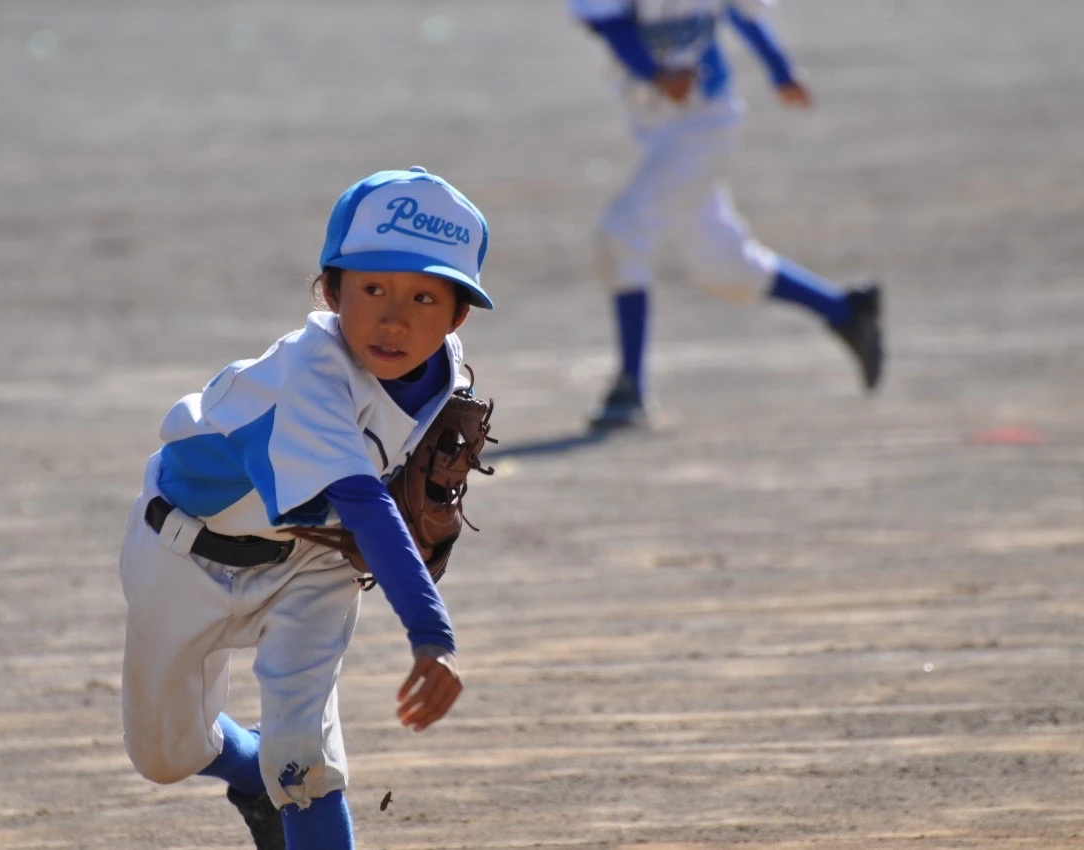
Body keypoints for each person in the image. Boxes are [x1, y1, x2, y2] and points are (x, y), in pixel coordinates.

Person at [116, 166, 494, 850]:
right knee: (165, 756)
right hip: (184, 554)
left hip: (314, 563)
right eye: (372, 288)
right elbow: (365, 503)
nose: (394, 318)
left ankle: (283, 774)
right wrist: (431, 634)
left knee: (306, 762)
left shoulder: (444, 372)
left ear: (458, 315)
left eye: (423, 297)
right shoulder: (313, 375)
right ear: (329, 291)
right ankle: (250, 772)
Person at [568, 0, 885, 428]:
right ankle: (845, 310)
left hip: (705, 124)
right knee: (725, 265)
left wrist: (780, 69)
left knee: (620, 233)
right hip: (658, 127)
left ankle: (630, 389)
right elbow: (612, 26)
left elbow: (743, 11)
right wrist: (657, 74)